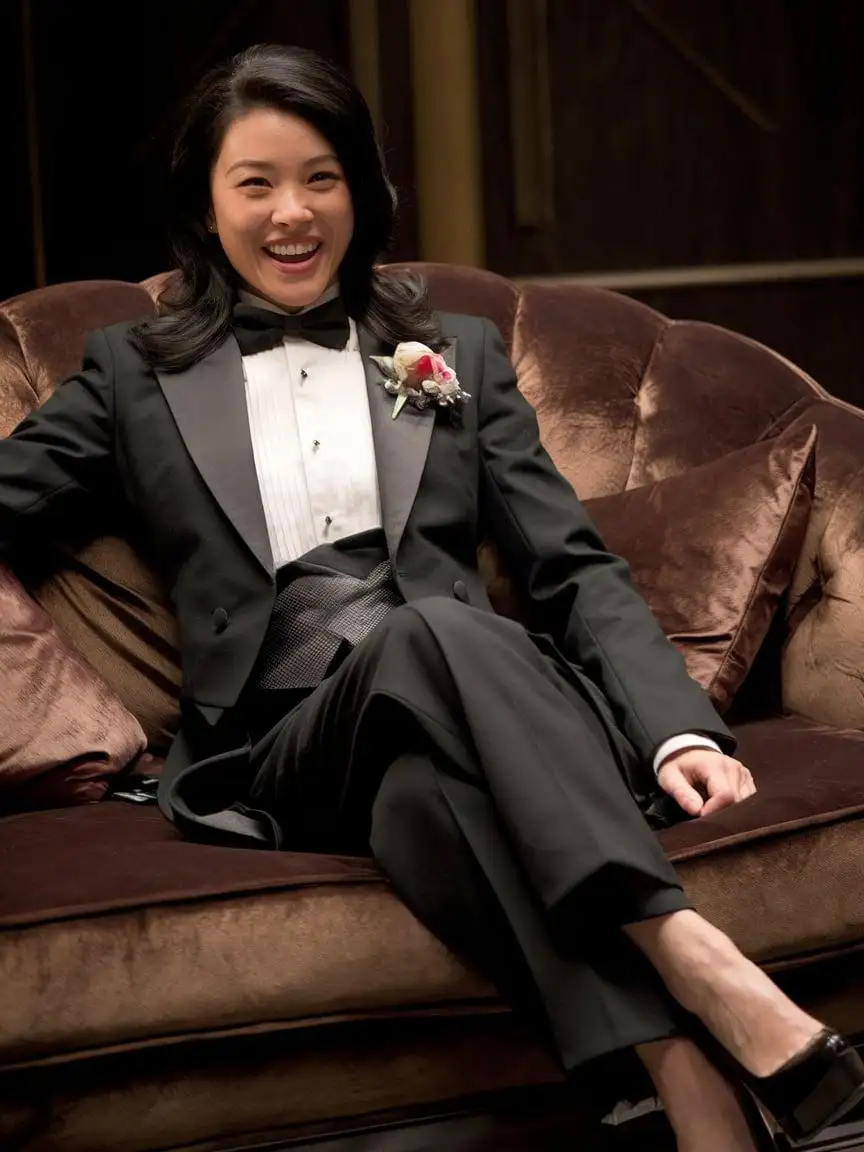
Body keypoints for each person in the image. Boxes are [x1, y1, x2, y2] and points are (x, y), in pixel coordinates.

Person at [0, 43, 860, 1151]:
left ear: (362, 188)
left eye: (321, 177)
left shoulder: (448, 354)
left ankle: (685, 1078)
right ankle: (697, 954)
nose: (292, 212)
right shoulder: (131, 375)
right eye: (254, 184)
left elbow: (568, 564)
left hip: (464, 719)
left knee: (424, 790)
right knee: (432, 629)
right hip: (285, 750)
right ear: (206, 209)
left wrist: (671, 731)